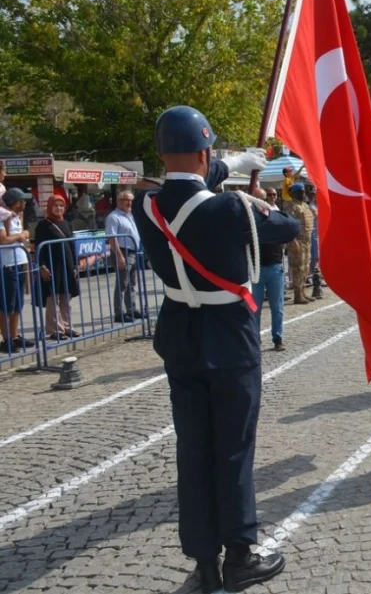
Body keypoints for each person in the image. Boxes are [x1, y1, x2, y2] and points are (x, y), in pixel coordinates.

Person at [133, 106, 299, 593]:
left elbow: (189, 180)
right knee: (233, 449)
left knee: (194, 450)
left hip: (181, 334)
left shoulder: (147, 206)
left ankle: (204, 561)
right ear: (206, 152)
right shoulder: (234, 209)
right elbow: (287, 228)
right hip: (228, 335)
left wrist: (237, 161)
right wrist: (261, 195)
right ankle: (241, 555)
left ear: (162, 153)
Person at [34, 195, 82, 340]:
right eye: (56, 205)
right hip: (52, 266)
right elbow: (39, 246)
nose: (59, 208)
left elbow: (72, 245)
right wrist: (42, 266)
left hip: (66, 265)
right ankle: (55, 330)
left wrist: (75, 264)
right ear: (50, 207)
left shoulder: (67, 224)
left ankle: (68, 327)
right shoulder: (43, 225)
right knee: (53, 298)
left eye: (61, 205)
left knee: (65, 298)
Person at [251, 187, 288, 352]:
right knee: (255, 309)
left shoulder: (274, 216)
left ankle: (277, 338)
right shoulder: (248, 218)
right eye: (259, 198)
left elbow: (288, 232)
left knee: (277, 307)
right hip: (256, 270)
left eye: (266, 197)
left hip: (274, 267)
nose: (264, 200)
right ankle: (254, 341)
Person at [0, 188, 32, 351]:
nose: (24, 203)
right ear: (15, 202)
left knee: (18, 304)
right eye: (22, 200)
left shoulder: (17, 217)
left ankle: (14, 335)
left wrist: (24, 233)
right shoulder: (3, 217)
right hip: (7, 264)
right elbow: (3, 239)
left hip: (19, 261)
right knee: (7, 304)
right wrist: (19, 236)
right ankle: (6, 339)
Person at [105, 190, 143, 323]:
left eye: (131, 200)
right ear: (119, 201)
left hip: (133, 251)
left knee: (132, 283)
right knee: (122, 283)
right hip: (122, 251)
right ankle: (119, 313)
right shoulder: (114, 217)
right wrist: (119, 256)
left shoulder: (130, 215)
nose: (129, 203)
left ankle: (131, 309)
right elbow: (112, 238)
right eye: (127, 200)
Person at [285, 183, 314, 304]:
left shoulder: (305, 206)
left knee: (306, 266)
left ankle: (302, 291)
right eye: (299, 192)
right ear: (293, 193)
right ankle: (297, 294)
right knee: (298, 267)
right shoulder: (291, 206)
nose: (302, 194)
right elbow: (288, 225)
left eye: (303, 191)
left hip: (307, 240)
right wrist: (292, 241)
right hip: (297, 241)